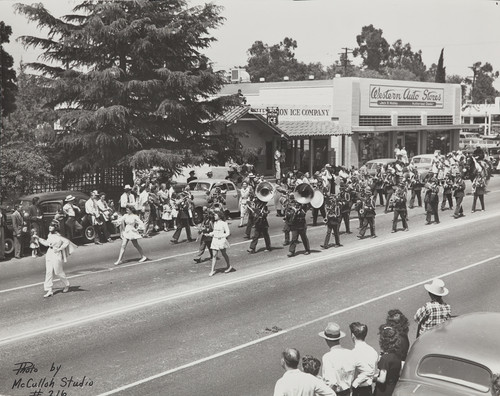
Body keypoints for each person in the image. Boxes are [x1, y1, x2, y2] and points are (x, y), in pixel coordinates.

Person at [35, 220, 74, 298]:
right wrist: (38, 239)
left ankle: (67, 284)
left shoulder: (59, 236)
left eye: (52, 226)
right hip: (49, 252)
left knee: (58, 272)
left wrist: (59, 249)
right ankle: (49, 290)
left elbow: (67, 242)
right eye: (50, 225)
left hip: (56, 254)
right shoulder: (50, 235)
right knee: (48, 272)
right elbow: (47, 243)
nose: (50, 227)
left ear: (56, 227)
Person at [319, 322, 354, 396]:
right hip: (349, 391)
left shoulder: (327, 357)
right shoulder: (350, 353)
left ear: (326, 340)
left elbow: (331, 382)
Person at [350, 322, 379, 396]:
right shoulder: (372, 351)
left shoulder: (353, 353)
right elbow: (374, 372)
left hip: (357, 390)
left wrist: (354, 384)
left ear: (353, 335)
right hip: (368, 388)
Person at [373, 326, 402, 396]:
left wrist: (373, 378)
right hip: (393, 388)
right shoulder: (397, 355)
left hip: (383, 391)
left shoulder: (385, 359)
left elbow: (382, 379)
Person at [208, 211, 233, 276]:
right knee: (214, 255)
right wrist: (210, 234)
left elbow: (228, 233)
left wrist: (221, 236)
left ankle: (229, 266)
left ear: (219, 216)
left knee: (224, 253)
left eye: (215, 215)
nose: (214, 216)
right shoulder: (215, 223)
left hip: (221, 240)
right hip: (215, 240)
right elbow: (214, 231)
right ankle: (212, 270)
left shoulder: (224, 223)